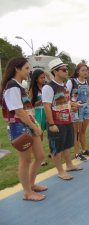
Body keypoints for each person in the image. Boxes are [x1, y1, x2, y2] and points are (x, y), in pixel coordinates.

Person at [0, 57, 47, 201]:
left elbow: (27, 109)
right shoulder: (12, 86)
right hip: (19, 127)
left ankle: (31, 185)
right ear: (17, 69)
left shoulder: (20, 86)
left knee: (39, 156)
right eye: (26, 68)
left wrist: (35, 125)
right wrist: (34, 126)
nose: (29, 71)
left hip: (29, 124)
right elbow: (19, 111)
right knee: (25, 160)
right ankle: (27, 192)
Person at [42, 58, 82, 180]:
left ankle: (69, 165)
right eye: (64, 69)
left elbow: (66, 102)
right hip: (57, 123)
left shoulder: (64, 86)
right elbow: (47, 107)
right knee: (56, 149)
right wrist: (52, 124)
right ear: (55, 71)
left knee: (66, 145)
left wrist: (73, 107)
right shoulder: (49, 87)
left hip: (67, 120)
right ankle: (60, 171)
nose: (66, 71)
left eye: (66, 69)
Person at [66, 63, 89, 161]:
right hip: (76, 108)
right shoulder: (71, 82)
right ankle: (77, 153)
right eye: (83, 70)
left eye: (86, 70)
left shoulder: (87, 82)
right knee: (76, 132)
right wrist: (73, 105)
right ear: (78, 71)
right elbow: (65, 97)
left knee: (83, 131)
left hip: (86, 107)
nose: (86, 72)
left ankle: (84, 150)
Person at [28, 69, 49, 166]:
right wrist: (42, 100)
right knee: (39, 136)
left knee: (50, 134)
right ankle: (40, 158)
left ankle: (52, 153)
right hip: (37, 113)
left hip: (46, 112)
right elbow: (30, 105)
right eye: (41, 77)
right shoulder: (32, 89)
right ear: (36, 79)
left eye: (44, 77)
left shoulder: (46, 87)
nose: (44, 79)